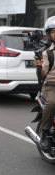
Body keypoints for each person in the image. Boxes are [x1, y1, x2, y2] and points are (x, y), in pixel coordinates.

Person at [34, 16, 55, 150]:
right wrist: (39, 66)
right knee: (53, 102)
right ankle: (45, 132)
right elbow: (43, 74)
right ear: (49, 34)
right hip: (51, 85)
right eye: (53, 31)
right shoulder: (48, 53)